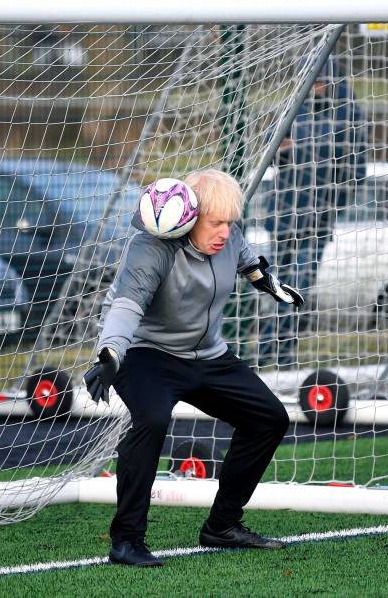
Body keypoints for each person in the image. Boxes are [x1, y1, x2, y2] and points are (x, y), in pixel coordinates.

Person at [84, 169, 304, 568]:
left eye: (230, 222)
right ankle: (127, 539)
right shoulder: (150, 248)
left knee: (269, 418)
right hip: (146, 354)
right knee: (150, 420)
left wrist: (268, 283)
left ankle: (223, 524)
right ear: (188, 217)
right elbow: (127, 305)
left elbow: (247, 261)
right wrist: (111, 352)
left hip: (208, 355)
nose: (224, 231)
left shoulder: (229, 238)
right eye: (215, 222)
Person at [260, 58, 367, 367]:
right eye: (314, 82)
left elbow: (355, 170)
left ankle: (271, 352)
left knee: (298, 286)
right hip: (282, 217)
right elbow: (272, 148)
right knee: (279, 286)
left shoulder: (348, 115)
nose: (317, 88)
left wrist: (334, 206)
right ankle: (278, 354)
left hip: (318, 220)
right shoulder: (295, 108)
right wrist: (283, 149)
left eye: (323, 82)